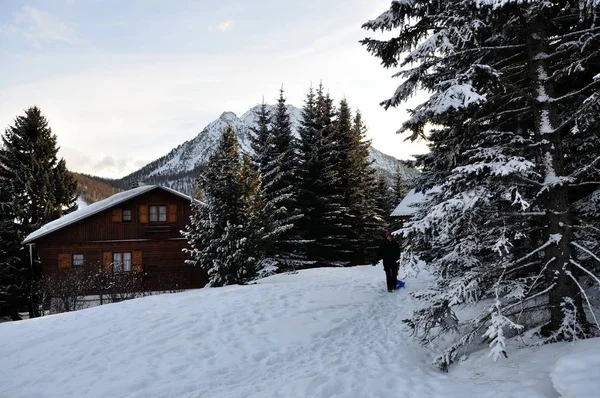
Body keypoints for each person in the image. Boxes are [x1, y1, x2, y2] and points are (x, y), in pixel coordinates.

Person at [373, 227, 400, 292]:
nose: (389, 237)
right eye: (388, 236)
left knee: (394, 274)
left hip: (394, 260)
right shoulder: (383, 242)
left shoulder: (395, 242)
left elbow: (398, 251)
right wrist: (376, 259)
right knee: (388, 274)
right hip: (386, 260)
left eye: (391, 236)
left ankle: (394, 286)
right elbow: (379, 251)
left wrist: (398, 259)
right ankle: (389, 288)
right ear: (387, 236)